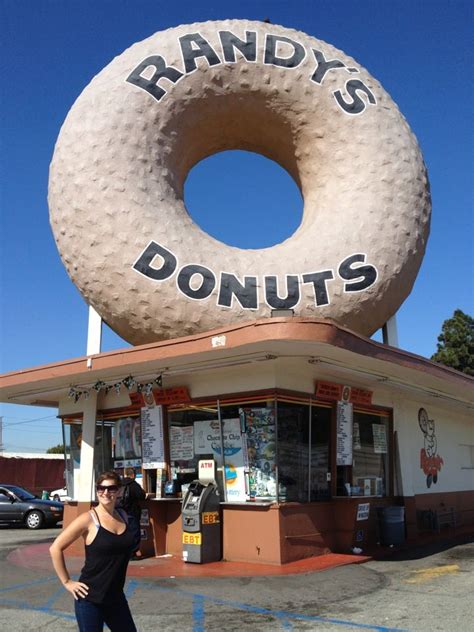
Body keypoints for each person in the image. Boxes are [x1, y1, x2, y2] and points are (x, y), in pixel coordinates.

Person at [49, 471, 137, 632]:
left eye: (111, 488)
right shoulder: (88, 519)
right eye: (100, 488)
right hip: (89, 599)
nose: (105, 492)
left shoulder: (123, 516)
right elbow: (55, 547)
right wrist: (67, 582)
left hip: (116, 598)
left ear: (118, 491)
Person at [117, 467, 146, 559]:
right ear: (133, 475)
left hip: (120, 513)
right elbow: (141, 496)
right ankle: (133, 553)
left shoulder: (119, 484)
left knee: (123, 532)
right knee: (134, 532)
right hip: (131, 512)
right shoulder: (134, 485)